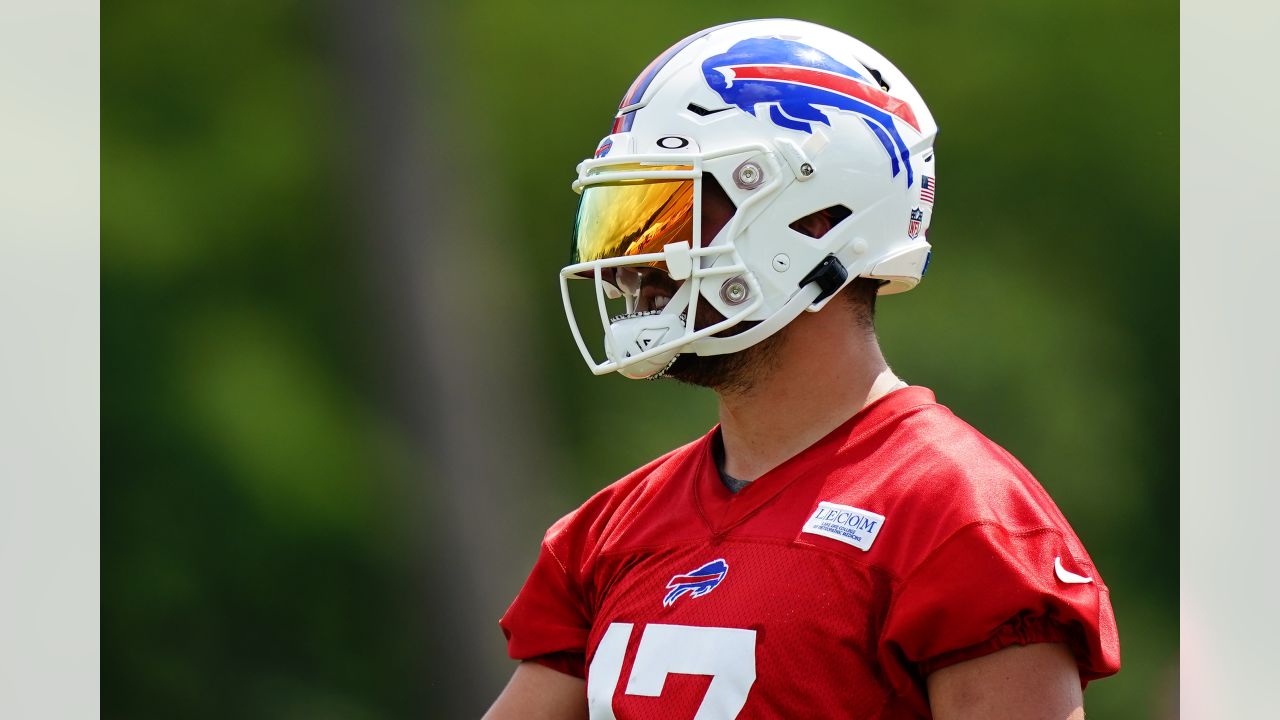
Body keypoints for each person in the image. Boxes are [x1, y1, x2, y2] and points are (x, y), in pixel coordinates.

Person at [485, 18, 1120, 720]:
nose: (636, 265)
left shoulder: (961, 522)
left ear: (818, 220)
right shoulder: (608, 533)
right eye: (625, 220)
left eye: (673, 218)